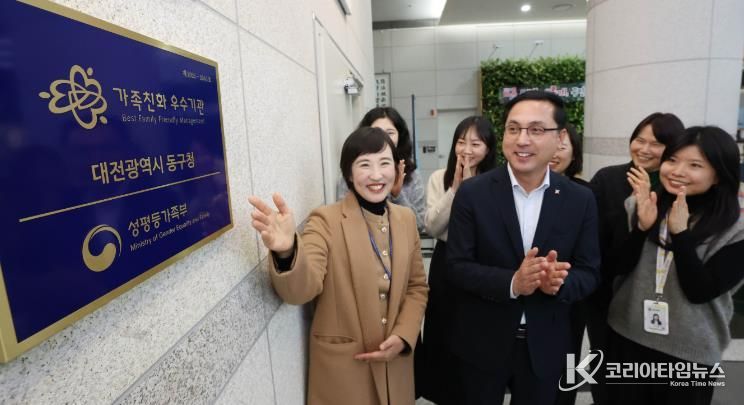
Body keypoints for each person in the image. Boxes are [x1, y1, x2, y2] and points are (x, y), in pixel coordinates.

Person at [249, 126, 428, 405]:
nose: (376, 175)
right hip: (346, 373)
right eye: (364, 165)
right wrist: (286, 251)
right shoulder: (326, 220)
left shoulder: (406, 219)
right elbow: (302, 290)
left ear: (396, 168)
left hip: (395, 366)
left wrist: (404, 335)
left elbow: (417, 287)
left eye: (384, 163)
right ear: (349, 174)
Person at [446, 90, 600, 405]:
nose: (522, 140)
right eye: (513, 129)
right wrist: (514, 283)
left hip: (546, 345)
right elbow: (457, 266)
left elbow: (590, 272)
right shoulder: (473, 193)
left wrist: (559, 282)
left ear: (560, 138)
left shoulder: (579, 199)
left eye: (536, 130)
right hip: (482, 342)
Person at [607, 126, 744, 404]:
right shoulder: (641, 204)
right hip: (628, 336)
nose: (678, 171)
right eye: (672, 160)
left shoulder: (736, 230)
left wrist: (681, 235)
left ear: (719, 174)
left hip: (690, 352)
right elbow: (617, 268)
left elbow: (700, 291)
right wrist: (642, 228)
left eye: (695, 165)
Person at [588, 112, 684, 404]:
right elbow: (593, 239)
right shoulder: (607, 179)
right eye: (639, 140)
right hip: (609, 294)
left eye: (656, 143)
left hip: (661, 299)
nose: (644, 149)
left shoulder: (678, 187)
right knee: (608, 374)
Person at [415, 116, 497, 404]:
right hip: (446, 261)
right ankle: (443, 393)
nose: (467, 150)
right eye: (462, 142)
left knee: (475, 330)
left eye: (476, 143)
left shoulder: (498, 181)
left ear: (488, 148)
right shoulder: (440, 178)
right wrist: (456, 189)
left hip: (483, 262)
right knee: (443, 327)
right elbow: (432, 226)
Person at [550, 123, 592, 405]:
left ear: (574, 153)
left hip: (569, 296)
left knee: (567, 362)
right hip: (526, 292)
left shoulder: (585, 193)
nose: (554, 153)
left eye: (562, 147)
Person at [337, 107, 426, 232]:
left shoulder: (412, 174)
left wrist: (397, 195)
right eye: (376, 131)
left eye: (390, 133)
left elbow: (419, 225)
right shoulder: (354, 173)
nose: (383, 138)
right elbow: (342, 217)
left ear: (400, 136)